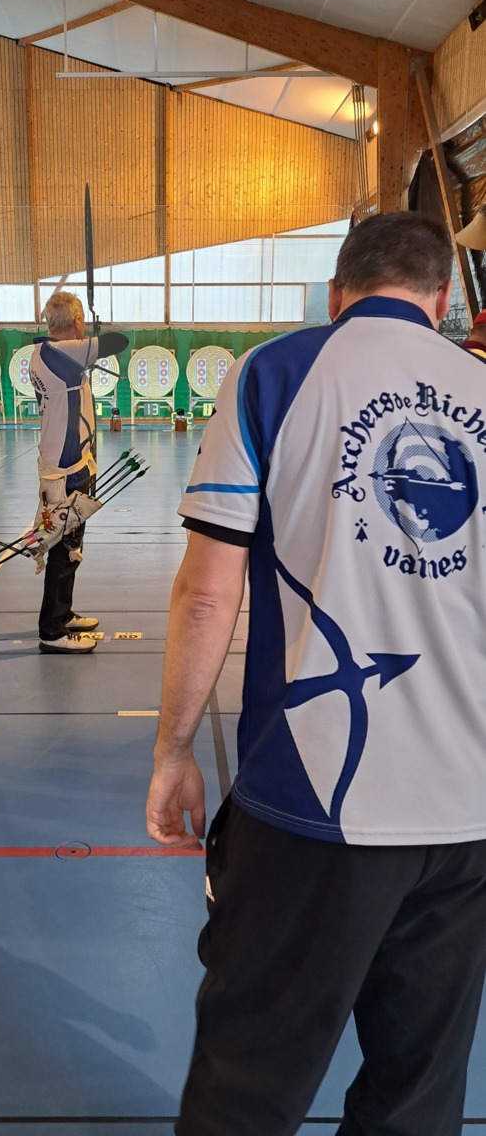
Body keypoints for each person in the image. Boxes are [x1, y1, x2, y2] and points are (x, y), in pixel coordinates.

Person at [147, 211, 486, 1136]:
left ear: (337, 291)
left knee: (250, 1077)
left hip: (318, 794)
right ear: (442, 298)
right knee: (419, 1091)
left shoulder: (276, 373)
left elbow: (207, 593)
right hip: (467, 809)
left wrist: (174, 750)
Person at [30, 291, 128, 653]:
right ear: (76, 321)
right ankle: (52, 631)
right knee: (63, 548)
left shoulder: (42, 352)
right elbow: (120, 341)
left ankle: (63, 612)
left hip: (68, 464)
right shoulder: (65, 352)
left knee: (70, 547)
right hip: (66, 470)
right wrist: (90, 336)